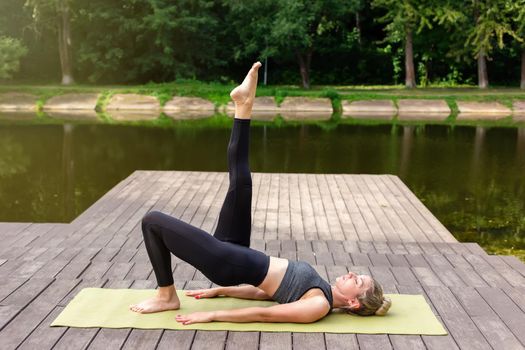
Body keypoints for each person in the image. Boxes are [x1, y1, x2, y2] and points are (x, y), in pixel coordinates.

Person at [129, 62, 391, 325]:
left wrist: (213, 315)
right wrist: (222, 291)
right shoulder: (320, 287)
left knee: (152, 221)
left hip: (226, 262)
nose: (351, 273)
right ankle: (243, 105)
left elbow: (267, 314)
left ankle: (166, 296)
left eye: (357, 281)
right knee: (242, 181)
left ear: (354, 301)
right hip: (235, 252)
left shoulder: (319, 305)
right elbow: (264, 293)